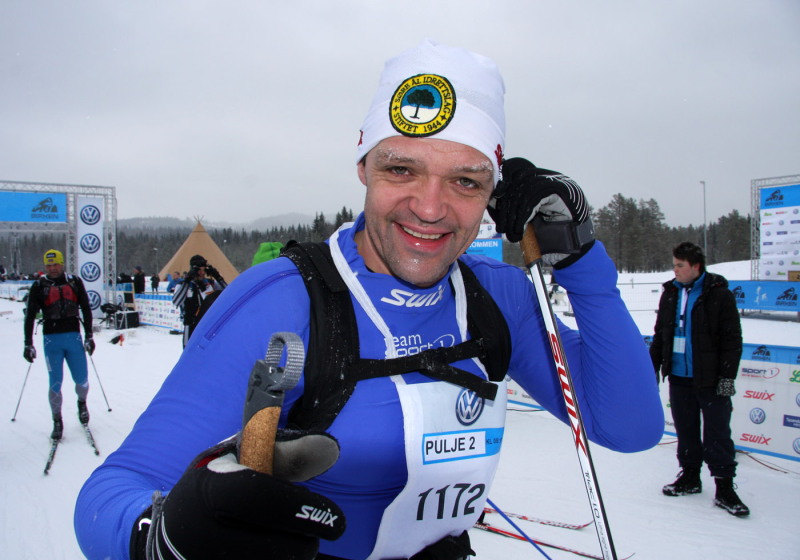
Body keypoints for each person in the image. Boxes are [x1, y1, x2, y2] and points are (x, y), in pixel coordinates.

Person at [75, 40, 663, 560]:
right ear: (364, 166)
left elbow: (628, 425)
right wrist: (157, 538)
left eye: (465, 181)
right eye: (402, 168)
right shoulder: (284, 301)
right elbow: (109, 493)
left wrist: (579, 258)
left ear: (493, 192)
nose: (430, 208)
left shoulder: (496, 295)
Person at [650, 241, 748, 516]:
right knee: (687, 430)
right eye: (674, 265)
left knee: (717, 433)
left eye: (680, 265)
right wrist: (652, 369)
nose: (675, 270)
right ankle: (690, 477)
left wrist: (727, 376)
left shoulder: (719, 294)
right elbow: (661, 336)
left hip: (711, 379)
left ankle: (725, 487)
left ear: (696, 267)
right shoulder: (670, 293)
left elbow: (732, 340)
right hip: (679, 377)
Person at [23, 249, 94, 441]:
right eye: (48, 265)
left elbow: (86, 309)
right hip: (51, 340)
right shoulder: (39, 285)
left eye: (55, 265)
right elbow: (30, 316)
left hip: (73, 338)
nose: (52, 268)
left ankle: (82, 403)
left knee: (82, 380)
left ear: (62, 264)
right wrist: (28, 343)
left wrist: (89, 336)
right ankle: (57, 420)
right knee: (55, 382)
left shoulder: (75, 282)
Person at [171, 254, 227, 347]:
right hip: (191, 327)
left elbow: (229, 293)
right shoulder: (183, 285)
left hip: (209, 326)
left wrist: (218, 278)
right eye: (198, 270)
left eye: (203, 270)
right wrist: (187, 280)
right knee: (190, 356)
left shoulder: (211, 284)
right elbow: (176, 301)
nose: (201, 273)